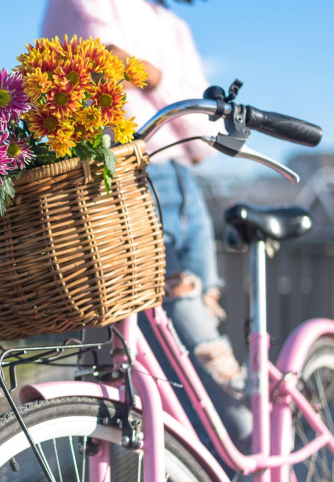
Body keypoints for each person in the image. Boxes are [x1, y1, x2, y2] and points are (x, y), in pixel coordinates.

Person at [42, 0, 252, 450]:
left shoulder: (172, 24)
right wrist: (160, 85)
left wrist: (144, 73)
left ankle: (246, 479)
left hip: (185, 189)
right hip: (126, 182)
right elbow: (84, 72)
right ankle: (247, 454)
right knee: (190, 363)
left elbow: (204, 138)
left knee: (205, 343)